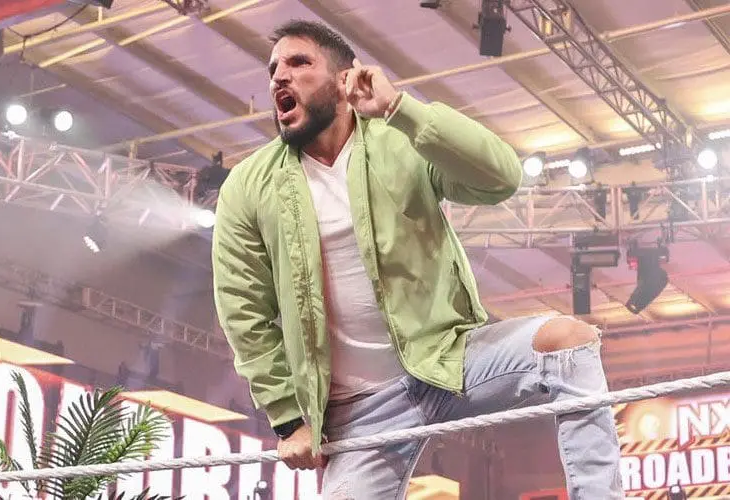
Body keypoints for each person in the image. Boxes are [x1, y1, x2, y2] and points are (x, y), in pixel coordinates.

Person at [212, 19, 623, 499]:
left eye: (299, 62)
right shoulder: (247, 186)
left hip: (445, 362)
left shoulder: (398, 137)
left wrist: (399, 109)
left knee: (569, 342)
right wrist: (287, 418)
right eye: (273, 69)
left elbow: (501, 178)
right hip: (357, 410)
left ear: (344, 80)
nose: (279, 76)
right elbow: (243, 310)